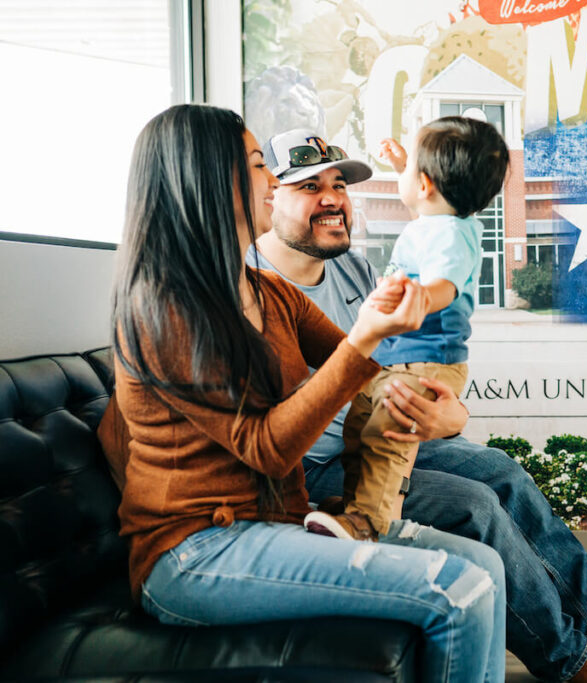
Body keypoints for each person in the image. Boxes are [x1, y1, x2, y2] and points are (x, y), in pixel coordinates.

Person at [104, 103, 506, 682]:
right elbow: (269, 449)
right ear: (208, 177)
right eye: (257, 164)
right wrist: (366, 337)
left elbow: (368, 370)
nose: (272, 180)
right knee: (460, 590)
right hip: (195, 553)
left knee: (484, 565)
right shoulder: (164, 308)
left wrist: (445, 413)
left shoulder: (268, 292)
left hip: (276, 520)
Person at [249, 125, 587, 682]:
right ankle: (569, 660)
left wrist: (451, 417)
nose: (332, 199)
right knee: (476, 505)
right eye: (308, 187)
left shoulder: (354, 267)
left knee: (501, 471)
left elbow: (405, 362)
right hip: (323, 465)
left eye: (339, 184)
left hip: (390, 424)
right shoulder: (250, 284)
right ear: (269, 193)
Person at [297, 118, 509, 541]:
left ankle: (367, 522)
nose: (333, 198)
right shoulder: (438, 221)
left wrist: (419, 297)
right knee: (361, 426)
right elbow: (424, 206)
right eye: (309, 187)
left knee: (385, 438)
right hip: (398, 359)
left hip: (423, 360)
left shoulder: (451, 236)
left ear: (426, 184)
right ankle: (355, 505)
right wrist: (403, 166)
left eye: (411, 167)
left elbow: (444, 284)